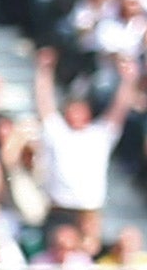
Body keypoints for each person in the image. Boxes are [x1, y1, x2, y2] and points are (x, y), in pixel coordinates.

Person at [33, 46, 137, 251]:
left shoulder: (99, 135)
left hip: (89, 211)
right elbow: (44, 104)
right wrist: (44, 71)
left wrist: (128, 80)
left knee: (87, 260)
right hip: (60, 209)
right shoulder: (58, 132)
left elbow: (119, 108)